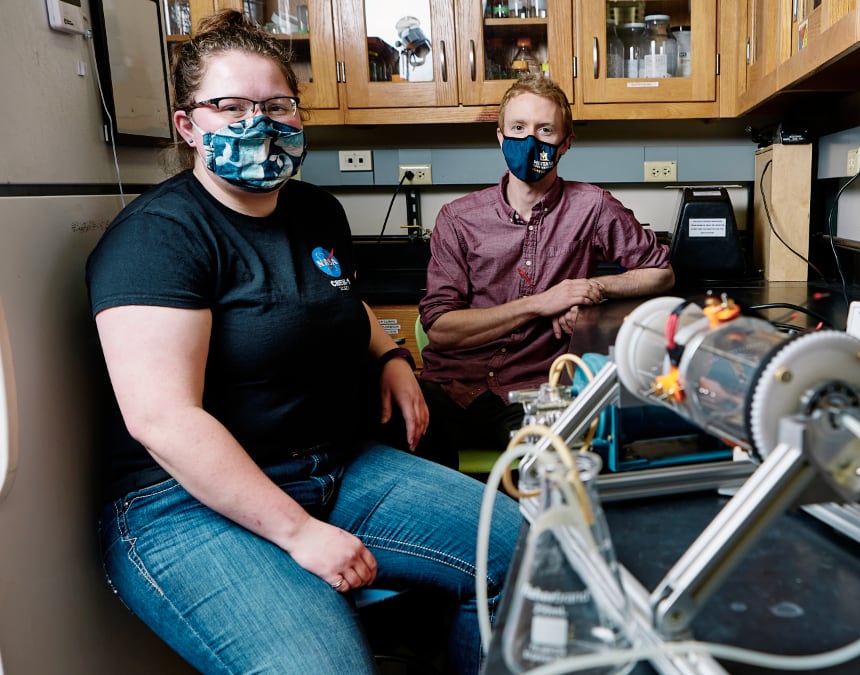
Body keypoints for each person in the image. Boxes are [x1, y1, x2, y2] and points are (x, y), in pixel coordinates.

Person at [85, 11, 521, 674]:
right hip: (182, 500)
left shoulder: (317, 211)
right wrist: (299, 534)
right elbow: (162, 419)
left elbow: (339, 298)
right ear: (187, 126)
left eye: (277, 105)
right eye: (231, 106)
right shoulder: (158, 237)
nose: (260, 123)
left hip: (334, 467)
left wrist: (392, 357)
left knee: (526, 553)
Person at [414, 74, 675, 466]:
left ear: (566, 143)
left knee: (562, 470)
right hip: (450, 387)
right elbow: (441, 330)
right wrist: (542, 303)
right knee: (403, 461)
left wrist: (589, 291)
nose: (530, 141)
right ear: (501, 138)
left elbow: (660, 272)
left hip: (533, 390)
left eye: (545, 130)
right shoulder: (458, 218)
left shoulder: (593, 207)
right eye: (518, 128)